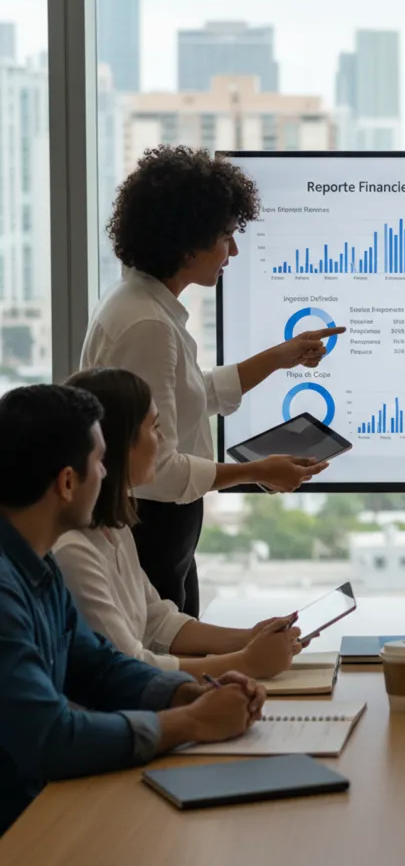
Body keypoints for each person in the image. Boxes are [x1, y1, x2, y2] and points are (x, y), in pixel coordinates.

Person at [81, 145, 345, 615]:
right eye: (226, 237)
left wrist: (277, 357)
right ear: (188, 245)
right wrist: (256, 471)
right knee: (167, 654)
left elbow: (189, 396)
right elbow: (161, 471)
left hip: (164, 528)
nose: (234, 250)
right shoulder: (147, 324)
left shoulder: (144, 306)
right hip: (151, 529)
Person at [0, 384, 268, 835]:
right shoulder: (7, 589)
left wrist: (189, 694)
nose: (107, 474)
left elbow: (99, 667)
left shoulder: (38, 567)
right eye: (99, 463)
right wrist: (190, 722)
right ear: (67, 482)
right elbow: (50, 738)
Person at [53, 368, 301, 679]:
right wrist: (245, 663)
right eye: (155, 427)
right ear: (117, 444)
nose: (162, 440)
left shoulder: (114, 528)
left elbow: (157, 622)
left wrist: (249, 638)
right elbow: (126, 670)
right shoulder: (71, 551)